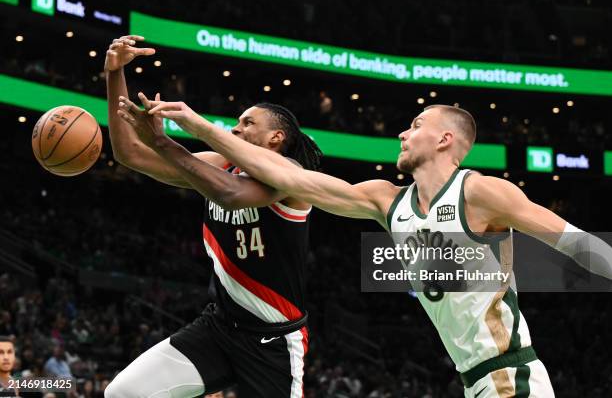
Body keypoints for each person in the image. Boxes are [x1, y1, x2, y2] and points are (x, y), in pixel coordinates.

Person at [146, 99, 612, 397]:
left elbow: (573, 244)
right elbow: (289, 177)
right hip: (474, 380)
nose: (402, 133)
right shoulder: (386, 200)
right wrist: (201, 129)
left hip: (512, 378)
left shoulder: (481, 192)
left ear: (446, 140)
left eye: (415, 124)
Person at [104, 35, 322, 398]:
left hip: (273, 342)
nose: (236, 129)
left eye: (248, 123)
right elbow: (130, 154)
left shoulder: (290, 175)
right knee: (123, 393)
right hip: (218, 328)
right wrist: (115, 73)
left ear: (276, 137)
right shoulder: (223, 163)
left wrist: (163, 142)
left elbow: (232, 195)